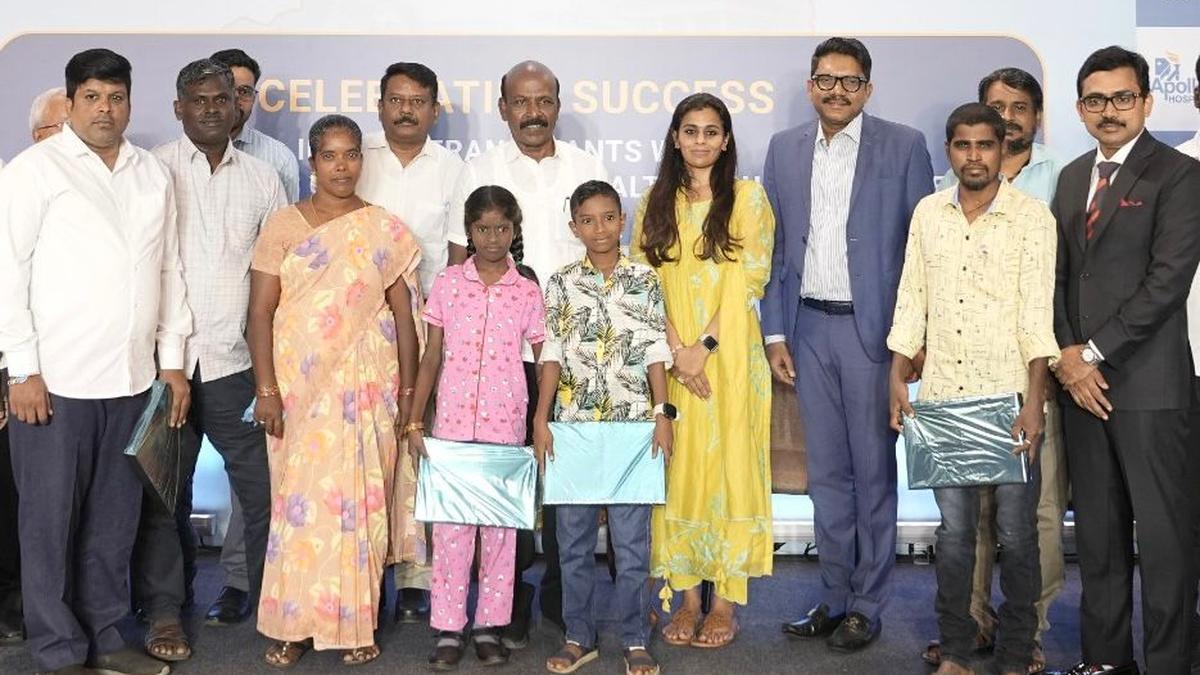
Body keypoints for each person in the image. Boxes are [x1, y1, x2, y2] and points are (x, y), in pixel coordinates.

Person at [0, 48, 193, 675]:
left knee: (115, 522)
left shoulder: (150, 173)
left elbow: (168, 268)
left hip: (132, 378)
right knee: (49, 524)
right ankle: (58, 650)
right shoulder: (34, 171)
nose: (104, 109)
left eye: (115, 97)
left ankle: (109, 638)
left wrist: (171, 363)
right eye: (91, 97)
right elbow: (7, 273)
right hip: (55, 381)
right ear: (71, 101)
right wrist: (21, 369)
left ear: (130, 102)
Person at [763, 36, 933, 653]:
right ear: (811, 86)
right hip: (807, 329)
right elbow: (775, 249)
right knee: (827, 477)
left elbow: (922, 251)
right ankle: (834, 596)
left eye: (850, 81)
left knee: (873, 472)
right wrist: (775, 332)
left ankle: (868, 603)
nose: (838, 91)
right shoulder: (783, 149)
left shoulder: (904, 145)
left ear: (868, 87)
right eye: (826, 80)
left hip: (873, 333)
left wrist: (912, 340)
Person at [1046, 46, 1200, 675]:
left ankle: (1168, 663)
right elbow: (1057, 278)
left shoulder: (1180, 175)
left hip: (1149, 387)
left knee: (1164, 541)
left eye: (1122, 98)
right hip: (1079, 388)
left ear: (1147, 102)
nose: (1108, 111)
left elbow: (1168, 282)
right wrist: (1066, 357)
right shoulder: (1071, 176)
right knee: (1100, 538)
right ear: (1080, 107)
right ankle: (1106, 660)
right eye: (1095, 100)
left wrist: (1091, 354)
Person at [888, 102, 1057, 675]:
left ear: (1002, 148)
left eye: (985, 144)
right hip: (943, 397)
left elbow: (1037, 316)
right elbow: (911, 298)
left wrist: (1034, 403)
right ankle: (957, 651)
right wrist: (895, 376)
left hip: (1009, 398)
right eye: (963, 145)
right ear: (949, 151)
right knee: (956, 534)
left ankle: (1016, 653)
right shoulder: (928, 213)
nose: (975, 156)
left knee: (1017, 534)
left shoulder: (1031, 217)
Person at [248, 114, 422, 668]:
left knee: (360, 507)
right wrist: (266, 390)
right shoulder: (284, 225)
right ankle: (292, 626)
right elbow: (260, 313)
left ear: (361, 160)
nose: (341, 166)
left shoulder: (383, 228)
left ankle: (357, 623)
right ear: (312, 161)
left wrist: (409, 395)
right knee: (299, 510)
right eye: (330, 156)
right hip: (300, 391)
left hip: (369, 389)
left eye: (351, 155)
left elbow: (404, 316)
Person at [128, 58, 284, 662]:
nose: (212, 109)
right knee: (162, 496)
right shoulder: (151, 171)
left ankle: (272, 602)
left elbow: (278, 280)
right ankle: (168, 611)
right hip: (161, 368)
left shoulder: (264, 179)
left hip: (236, 364)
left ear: (238, 104)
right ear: (178, 108)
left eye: (222, 98)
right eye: (198, 100)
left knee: (264, 491)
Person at [448, 59, 607, 647]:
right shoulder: (480, 170)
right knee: (508, 482)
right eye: (521, 102)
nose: (533, 113)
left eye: (543, 101)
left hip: (576, 353)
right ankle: (506, 600)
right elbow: (457, 264)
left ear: (557, 106)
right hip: (499, 358)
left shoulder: (588, 168)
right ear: (503, 108)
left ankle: (565, 600)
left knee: (566, 484)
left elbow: (606, 255)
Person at [632, 92, 774, 650]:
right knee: (680, 470)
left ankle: (725, 605)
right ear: (675, 138)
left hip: (731, 359)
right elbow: (645, 284)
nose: (700, 141)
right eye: (690, 131)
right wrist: (678, 350)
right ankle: (688, 599)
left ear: (726, 139)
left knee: (732, 468)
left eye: (711, 131)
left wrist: (703, 347)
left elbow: (750, 281)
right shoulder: (654, 203)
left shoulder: (747, 199)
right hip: (671, 361)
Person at [534, 180, 673, 675]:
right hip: (573, 429)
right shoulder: (560, 282)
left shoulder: (645, 279)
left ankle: (635, 638)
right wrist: (541, 418)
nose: (600, 229)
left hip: (632, 429)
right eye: (588, 220)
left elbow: (655, 350)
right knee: (572, 544)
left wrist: (663, 414)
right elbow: (551, 353)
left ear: (622, 220)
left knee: (632, 546)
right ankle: (578, 636)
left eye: (609, 218)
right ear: (574, 227)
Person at [405, 185, 546, 670]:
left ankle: (489, 625)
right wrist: (415, 419)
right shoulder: (448, 283)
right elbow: (431, 356)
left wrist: (542, 418)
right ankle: (449, 626)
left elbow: (545, 357)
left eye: (502, 228)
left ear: (514, 230)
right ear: (469, 231)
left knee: (500, 531)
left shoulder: (526, 290)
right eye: (483, 229)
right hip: (452, 426)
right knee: (451, 529)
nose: (492, 238)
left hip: (505, 426)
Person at [357, 61, 465, 622]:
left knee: (421, 443)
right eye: (396, 100)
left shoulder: (452, 169)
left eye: (418, 101)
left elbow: (458, 255)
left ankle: (419, 576)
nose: (406, 111)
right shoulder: (357, 159)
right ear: (380, 106)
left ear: (434, 110)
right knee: (367, 451)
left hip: (428, 327)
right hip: (357, 330)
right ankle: (366, 572)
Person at [207, 47, 304, 627]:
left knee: (258, 477)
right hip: (186, 349)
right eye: (225, 91)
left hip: (254, 348)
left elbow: (287, 255)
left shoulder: (275, 163)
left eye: (243, 92)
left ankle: (249, 581)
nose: (234, 102)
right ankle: (179, 594)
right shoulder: (171, 160)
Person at [0, 83, 73, 648]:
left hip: (60, 369)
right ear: (34, 136)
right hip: (17, 366)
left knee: (38, 499)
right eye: (58, 129)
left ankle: (31, 603)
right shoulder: (17, 181)